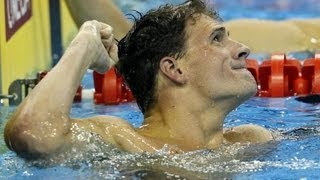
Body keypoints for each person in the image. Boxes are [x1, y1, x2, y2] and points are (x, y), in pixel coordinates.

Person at [4, 0, 273, 158]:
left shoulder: (250, 140)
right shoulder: (120, 141)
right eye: (216, 39)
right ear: (174, 69)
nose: (243, 48)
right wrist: (84, 45)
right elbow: (31, 134)